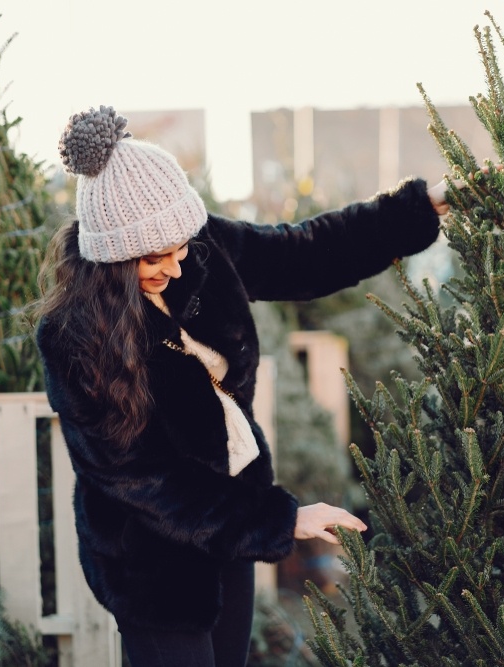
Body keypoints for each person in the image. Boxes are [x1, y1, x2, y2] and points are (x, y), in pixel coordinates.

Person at [34, 105, 451, 667]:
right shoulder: (75, 337)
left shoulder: (205, 249)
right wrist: (280, 520)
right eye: (155, 258)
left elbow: (307, 251)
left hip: (231, 525)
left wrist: (421, 207)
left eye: (182, 247)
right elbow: (143, 477)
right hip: (151, 559)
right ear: (112, 255)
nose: (178, 267)